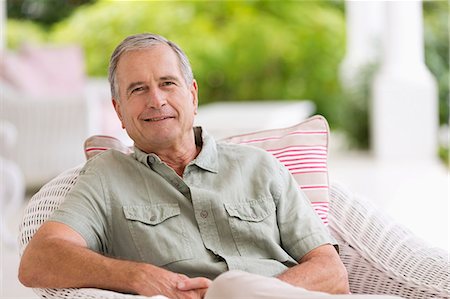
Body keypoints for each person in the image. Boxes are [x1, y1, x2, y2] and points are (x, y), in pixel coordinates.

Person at [18, 33, 399, 299]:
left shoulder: (261, 167)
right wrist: (137, 276)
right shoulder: (106, 176)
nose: (156, 100)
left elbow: (331, 272)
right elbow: (38, 260)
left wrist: (261, 292)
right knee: (230, 288)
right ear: (118, 111)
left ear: (192, 94)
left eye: (167, 83)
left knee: (234, 289)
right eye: (137, 90)